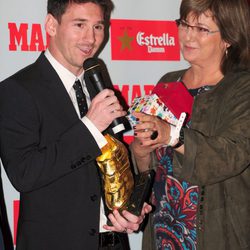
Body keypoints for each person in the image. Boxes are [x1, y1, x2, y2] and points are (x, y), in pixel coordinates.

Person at [0, 0, 151, 249]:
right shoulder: (17, 90)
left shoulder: (96, 82)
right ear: (51, 25)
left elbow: (110, 163)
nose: (90, 38)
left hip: (113, 242)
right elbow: (24, 174)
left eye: (98, 27)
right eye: (79, 25)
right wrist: (91, 126)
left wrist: (131, 204)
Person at [130, 0, 250, 249]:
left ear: (228, 37)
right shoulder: (168, 82)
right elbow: (152, 170)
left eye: (202, 29)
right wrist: (140, 153)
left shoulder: (242, 88)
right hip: (162, 232)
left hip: (218, 235)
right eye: (184, 25)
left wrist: (173, 136)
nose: (187, 36)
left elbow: (231, 155)